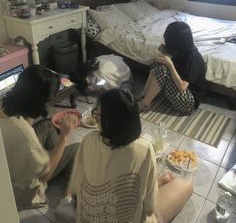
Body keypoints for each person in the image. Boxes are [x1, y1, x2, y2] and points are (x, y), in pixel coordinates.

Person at [68, 89, 193, 223]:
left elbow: (76, 187)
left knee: (127, 186)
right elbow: (149, 208)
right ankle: (158, 183)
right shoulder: (144, 149)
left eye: (96, 114)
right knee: (184, 185)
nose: (95, 117)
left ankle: (159, 182)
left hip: (84, 218)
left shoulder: (88, 140)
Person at [0, 65, 79, 210]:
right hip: (24, 190)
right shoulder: (24, 135)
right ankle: (67, 200)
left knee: (48, 126)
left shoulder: (5, 104)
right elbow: (45, 175)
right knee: (77, 149)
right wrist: (64, 136)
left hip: (11, 156)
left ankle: (51, 156)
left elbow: (24, 126)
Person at [138, 21, 206, 114]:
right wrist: (165, 53)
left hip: (189, 102)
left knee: (163, 69)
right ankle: (144, 95)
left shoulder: (192, 57)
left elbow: (182, 87)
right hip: (181, 94)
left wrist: (170, 64)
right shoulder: (182, 50)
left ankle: (145, 103)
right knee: (158, 62)